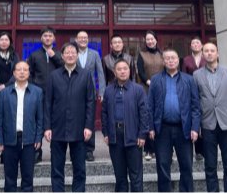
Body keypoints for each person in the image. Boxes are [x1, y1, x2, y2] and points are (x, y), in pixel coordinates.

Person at [193, 42, 227, 192]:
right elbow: (195, 102)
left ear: (217, 53)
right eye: (206, 51)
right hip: (207, 125)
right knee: (210, 166)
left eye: (212, 50)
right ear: (202, 54)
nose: (209, 53)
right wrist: (197, 126)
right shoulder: (196, 75)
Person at [44, 42, 95, 192]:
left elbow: (90, 102)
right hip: (57, 127)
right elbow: (47, 102)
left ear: (77, 55)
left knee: (79, 169)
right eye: (67, 52)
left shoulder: (85, 75)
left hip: (79, 128)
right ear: (62, 55)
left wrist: (88, 126)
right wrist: (47, 127)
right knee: (56, 168)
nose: (70, 55)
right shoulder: (54, 76)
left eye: (73, 52)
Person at [148, 48, 200, 192]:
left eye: (173, 58)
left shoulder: (189, 80)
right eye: (167, 58)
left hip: (184, 128)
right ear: (163, 61)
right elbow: (150, 106)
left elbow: (195, 106)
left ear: (178, 60)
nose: (171, 61)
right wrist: (151, 127)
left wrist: (195, 128)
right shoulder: (156, 80)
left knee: (186, 164)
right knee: (163, 164)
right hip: (162, 128)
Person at [0, 60, 43, 192]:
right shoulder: (4, 93)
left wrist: (38, 137)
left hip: (29, 141)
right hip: (9, 140)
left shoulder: (37, 92)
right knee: (9, 178)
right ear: (14, 73)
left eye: (25, 70)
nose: (22, 72)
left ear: (29, 73)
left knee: (28, 177)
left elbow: (40, 118)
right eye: (19, 70)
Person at [102, 58, 149, 192]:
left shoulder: (138, 89)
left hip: (133, 136)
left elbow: (144, 113)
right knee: (120, 176)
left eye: (125, 69)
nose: (122, 71)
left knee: (136, 176)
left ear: (129, 71)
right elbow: (104, 113)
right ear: (114, 72)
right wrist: (106, 133)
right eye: (119, 69)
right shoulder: (109, 90)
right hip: (115, 136)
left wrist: (142, 134)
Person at [27, 26, 63, 163]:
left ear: (54, 38)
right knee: (38, 121)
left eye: (50, 36)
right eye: (45, 36)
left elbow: (65, 68)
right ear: (41, 38)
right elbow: (29, 73)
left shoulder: (59, 54)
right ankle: (37, 150)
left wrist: (54, 56)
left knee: (56, 122)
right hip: (38, 93)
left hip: (56, 94)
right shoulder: (34, 55)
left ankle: (56, 151)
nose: (48, 38)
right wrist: (32, 88)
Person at [0, 31, 21, 168]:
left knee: (8, 119)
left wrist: (6, 85)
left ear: (10, 42)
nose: (4, 42)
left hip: (11, 90)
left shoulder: (15, 56)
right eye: (1, 39)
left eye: (6, 40)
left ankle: (6, 153)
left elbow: (17, 72)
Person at [75, 30, 106, 162]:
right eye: (81, 38)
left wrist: (101, 92)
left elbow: (100, 73)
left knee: (90, 121)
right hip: (74, 92)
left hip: (90, 92)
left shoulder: (94, 54)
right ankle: (77, 149)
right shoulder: (72, 53)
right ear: (76, 40)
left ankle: (89, 150)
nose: (83, 40)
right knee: (76, 121)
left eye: (85, 38)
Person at [136, 30, 164, 161]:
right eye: (148, 39)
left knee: (161, 115)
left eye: (152, 39)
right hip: (146, 88)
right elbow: (140, 71)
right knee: (147, 117)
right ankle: (148, 149)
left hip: (162, 88)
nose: (150, 41)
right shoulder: (141, 54)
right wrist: (148, 81)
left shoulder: (162, 54)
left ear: (156, 40)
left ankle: (162, 148)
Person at [181, 36, 206, 161]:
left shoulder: (207, 58)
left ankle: (205, 149)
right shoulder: (186, 60)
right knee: (195, 119)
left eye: (197, 43)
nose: (195, 45)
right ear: (190, 46)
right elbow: (183, 76)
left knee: (205, 119)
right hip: (191, 92)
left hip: (206, 91)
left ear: (201, 45)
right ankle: (197, 150)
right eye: (193, 43)